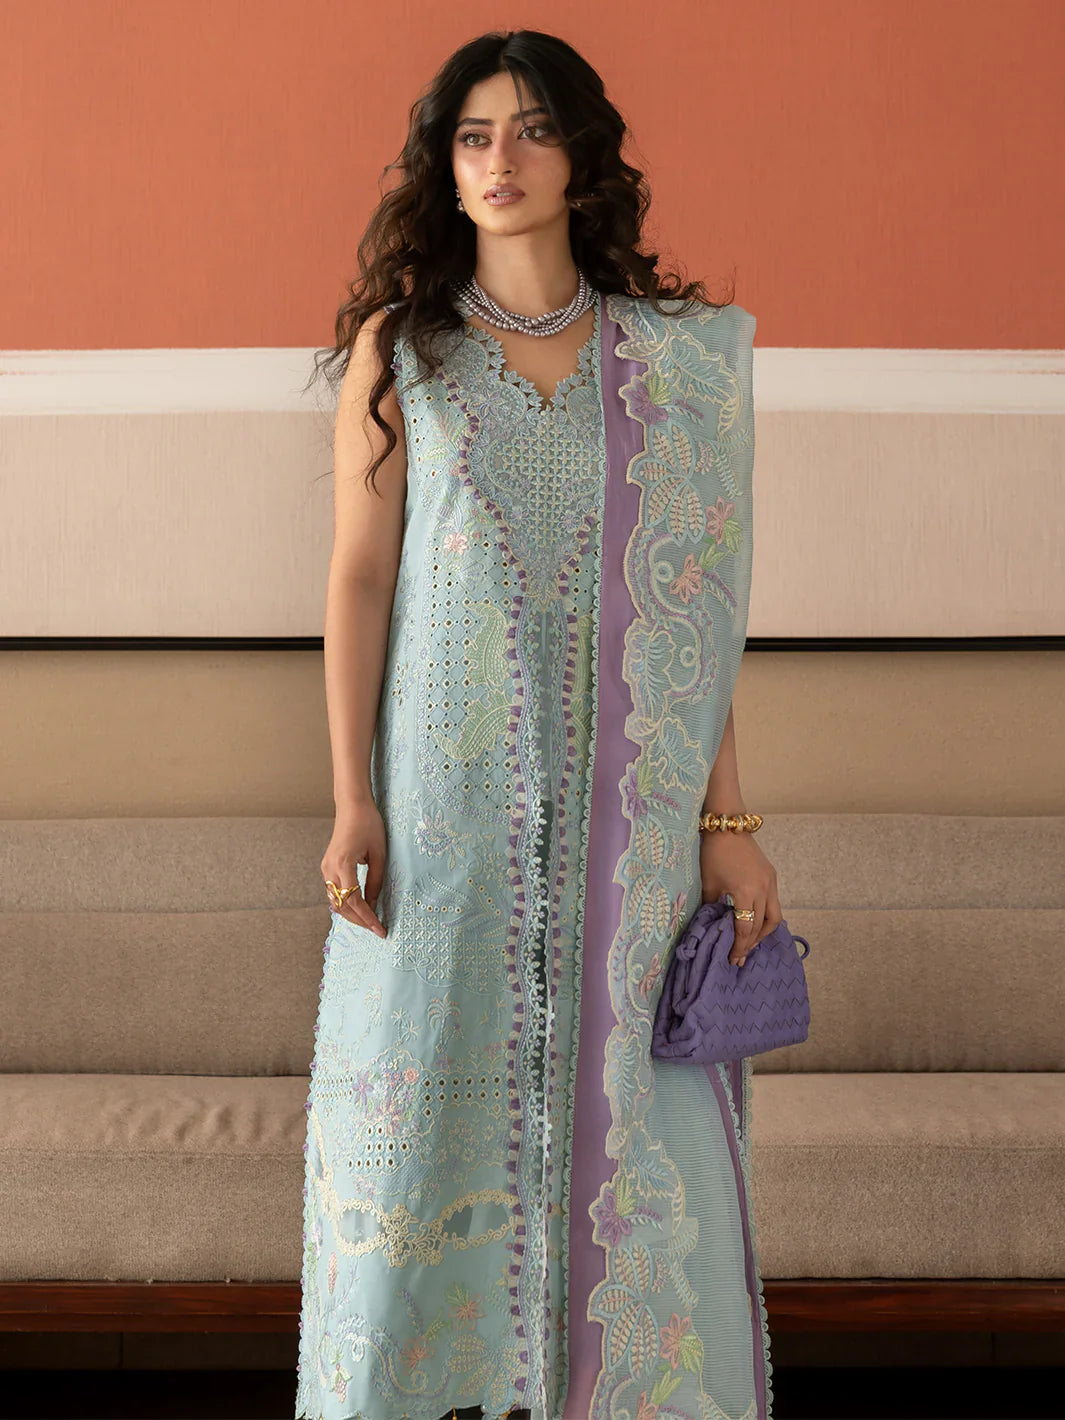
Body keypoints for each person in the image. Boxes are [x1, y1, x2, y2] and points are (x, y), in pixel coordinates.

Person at [295, 27, 781, 1420]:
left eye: (530, 130)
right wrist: (353, 796)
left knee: (637, 1121)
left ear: (581, 159)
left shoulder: (671, 363)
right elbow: (358, 576)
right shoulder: (406, 353)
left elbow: (692, 610)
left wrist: (726, 817)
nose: (499, 159)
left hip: (631, 832)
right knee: (421, 1115)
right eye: (472, 136)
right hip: (444, 816)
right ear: (444, 168)